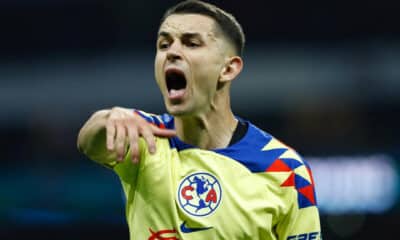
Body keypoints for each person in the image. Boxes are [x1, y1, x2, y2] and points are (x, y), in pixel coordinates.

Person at [77, 0, 322, 239]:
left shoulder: (286, 169)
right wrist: (109, 118)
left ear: (228, 69)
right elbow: (89, 143)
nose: (172, 52)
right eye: (163, 45)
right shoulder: (145, 137)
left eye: (191, 43)